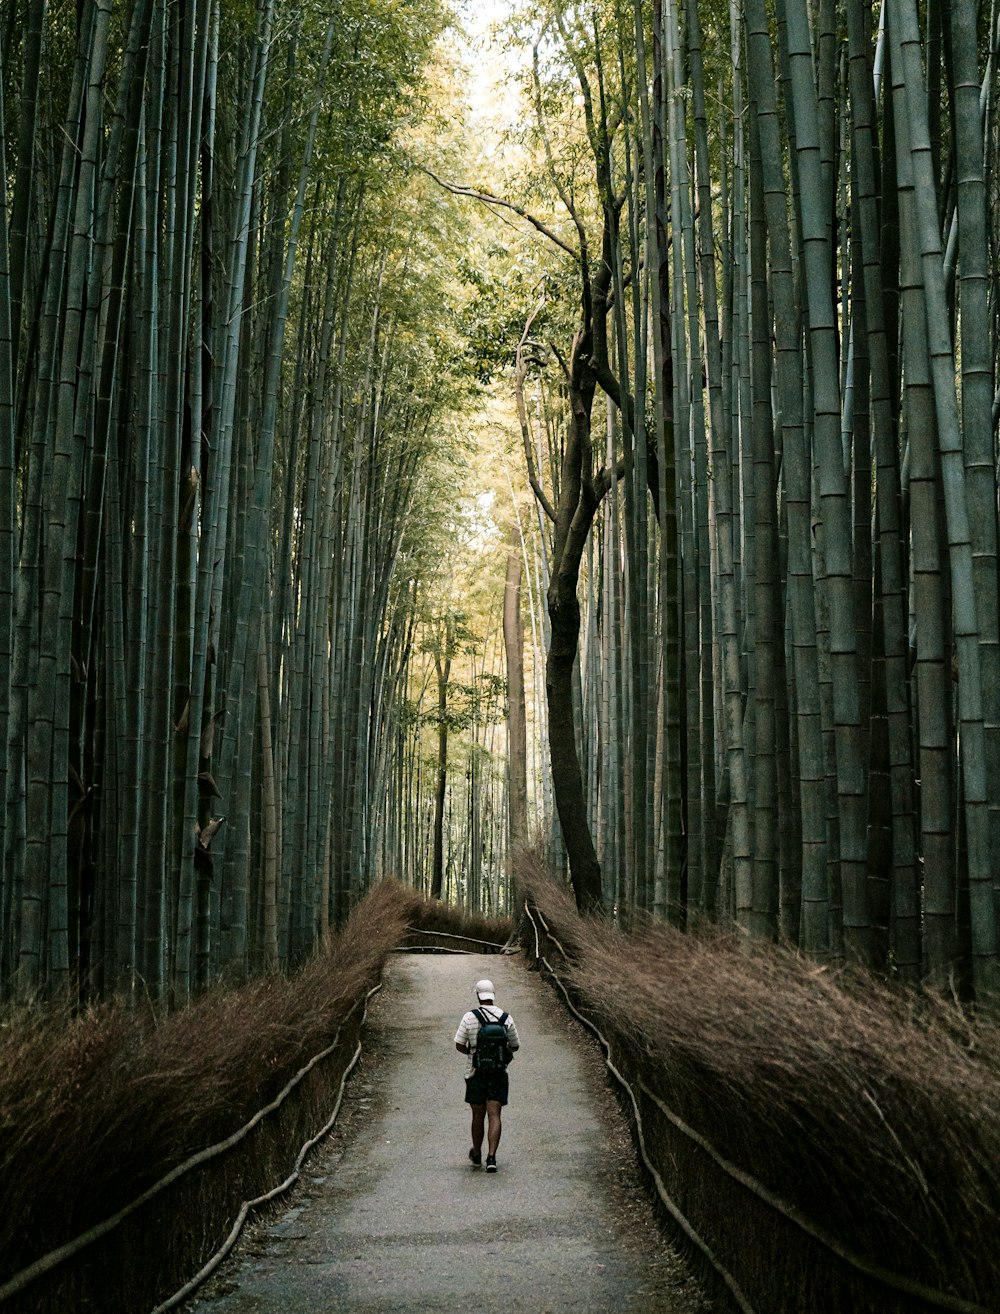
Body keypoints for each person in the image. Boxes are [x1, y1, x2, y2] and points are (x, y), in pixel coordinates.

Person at [454, 977, 520, 1172]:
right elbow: (515, 1045)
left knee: (477, 1115)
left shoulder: (469, 1017)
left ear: (477, 995)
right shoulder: (506, 1018)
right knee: (494, 1114)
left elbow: (459, 1044)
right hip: (498, 1073)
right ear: (493, 995)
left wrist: (473, 1053)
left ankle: (477, 1153)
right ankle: (492, 1158)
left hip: (475, 1072)